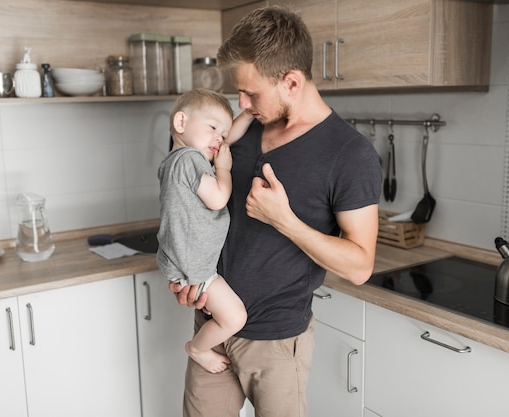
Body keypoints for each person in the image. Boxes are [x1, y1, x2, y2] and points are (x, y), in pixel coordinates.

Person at [169, 5, 382, 417]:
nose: (240, 102)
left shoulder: (349, 154)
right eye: (239, 91)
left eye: (251, 93)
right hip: (213, 326)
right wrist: (185, 274)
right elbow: (190, 201)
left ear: (292, 82)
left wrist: (285, 220)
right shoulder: (242, 130)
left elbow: (360, 266)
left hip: (277, 341)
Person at [157, 88, 253, 374]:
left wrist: (246, 114)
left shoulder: (178, 159)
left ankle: (199, 346)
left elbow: (224, 140)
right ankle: (197, 348)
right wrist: (223, 168)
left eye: (222, 134)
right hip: (194, 266)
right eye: (212, 128)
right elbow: (218, 198)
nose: (219, 140)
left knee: (229, 314)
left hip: (188, 262)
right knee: (235, 318)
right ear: (181, 123)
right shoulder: (188, 160)